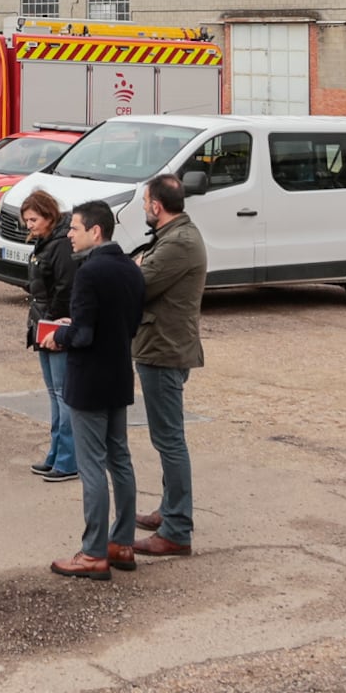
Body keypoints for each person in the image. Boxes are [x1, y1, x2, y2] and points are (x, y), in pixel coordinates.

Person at [41, 200, 145, 581]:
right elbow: (128, 323)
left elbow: (82, 335)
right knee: (120, 459)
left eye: (75, 228)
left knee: (91, 467)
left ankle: (93, 552)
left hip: (88, 380)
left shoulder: (89, 273)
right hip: (118, 373)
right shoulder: (131, 270)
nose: (69, 233)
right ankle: (123, 542)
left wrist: (59, 335)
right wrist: (78, 326)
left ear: (95, 232)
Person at [132, 175, 205, 559]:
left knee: (169, 439)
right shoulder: (175, 236)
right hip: (163, 345)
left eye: (145, 201)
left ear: (157, 206)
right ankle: (169, 511)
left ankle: (177, 529)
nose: (144, 207)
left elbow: (138, 285)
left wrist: (138, 266)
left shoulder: (178, 243)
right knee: (167, 438)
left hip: (164, 349)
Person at [19, 189, 78, 484]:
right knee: (55, 394)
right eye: (27, 220)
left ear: (48, 216)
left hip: (53, 328)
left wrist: (53, 326)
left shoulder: (59, 247)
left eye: (33, 219)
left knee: (62, 395)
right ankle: (57, 452)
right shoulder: (46, 244)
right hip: (43, 325)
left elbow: (64, 289)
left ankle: (68, 458)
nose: (29, 225)